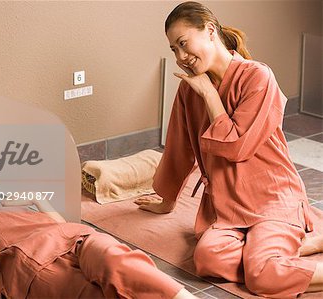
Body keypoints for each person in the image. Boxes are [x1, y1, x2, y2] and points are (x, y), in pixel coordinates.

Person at [134, 1, 323, 298]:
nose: (181, 57)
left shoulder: (258, 77)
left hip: (270, 197)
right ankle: (298, 245)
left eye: (183, 44)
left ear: (210, 31)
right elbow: (179, 146)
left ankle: (275, 255)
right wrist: (167, 199)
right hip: (226, 204)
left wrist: (210, 93)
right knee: (208, 259)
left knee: (263, 278)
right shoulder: (189, 88)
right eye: (174, 50)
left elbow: (236, 146)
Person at [0, 150, 198, 299]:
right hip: (31, 268)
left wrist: (36, 200)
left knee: (114, 258)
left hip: (76, 240)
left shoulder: (14, 208)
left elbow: (61, 228)